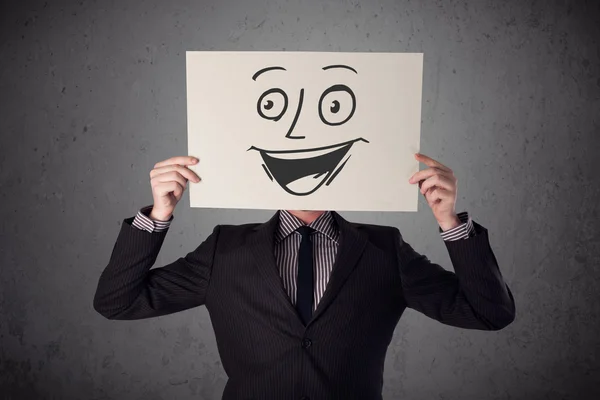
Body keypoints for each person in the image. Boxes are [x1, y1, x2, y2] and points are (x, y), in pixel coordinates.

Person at [93, 153, 515, 400]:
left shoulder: (384, 250)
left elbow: (488, 313)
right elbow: (118, 301)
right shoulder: (226, 249)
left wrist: (449, 221)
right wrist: (159, 215)